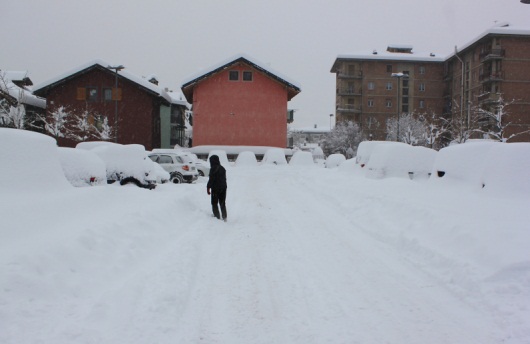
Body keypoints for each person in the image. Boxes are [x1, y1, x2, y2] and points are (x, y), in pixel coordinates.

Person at [207, 155, 227, 221]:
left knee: (214, 203)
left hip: (215, 188)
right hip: (223, 188)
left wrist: (208, 187)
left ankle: (217, 217)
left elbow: (211, 179)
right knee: (222, 202)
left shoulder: (213, 169)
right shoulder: (223, 168)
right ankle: (224, 217)